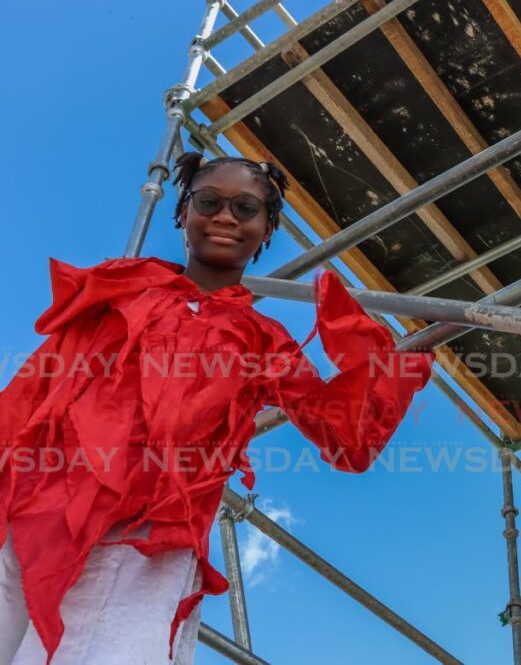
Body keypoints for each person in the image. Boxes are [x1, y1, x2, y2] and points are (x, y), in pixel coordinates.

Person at [0, 153, 434, 664]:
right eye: (209, 201)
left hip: (146, 542)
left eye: (246, 208)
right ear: (182, 213)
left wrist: (389, 364)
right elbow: (33, 388)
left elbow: (345, 436)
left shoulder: (265, 342)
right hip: (39, 504)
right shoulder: (118, 287)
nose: (226, 217)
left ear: (267, 229)